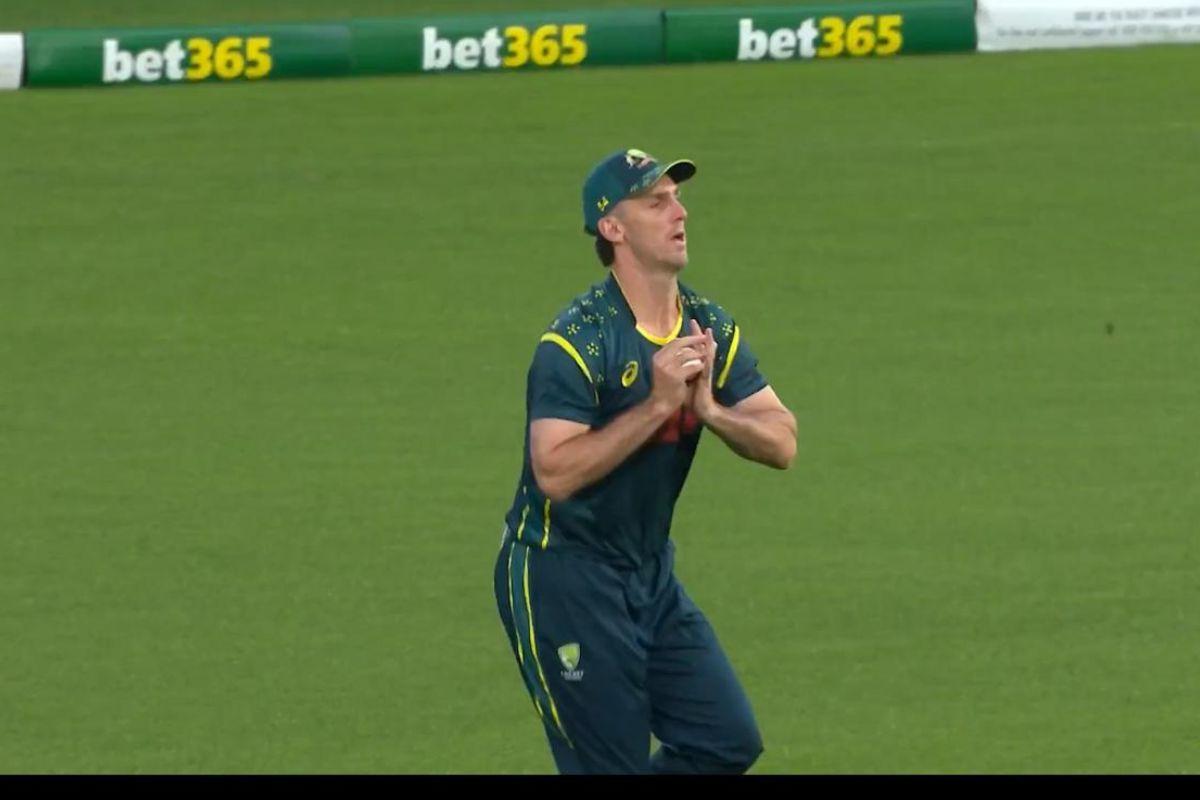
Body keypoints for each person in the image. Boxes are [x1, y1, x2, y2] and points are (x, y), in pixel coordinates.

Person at [493, 147, 797, 774]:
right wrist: (658, 406)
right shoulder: (578, 341)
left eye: (677, 199)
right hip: (563, 576)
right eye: (656, 203)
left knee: (724, 741)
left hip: (648, 573)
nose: (679, 212)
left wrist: (712, 412)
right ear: (613, 227)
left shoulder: (707, 327)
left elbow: (782, 441)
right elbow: (554, 473)